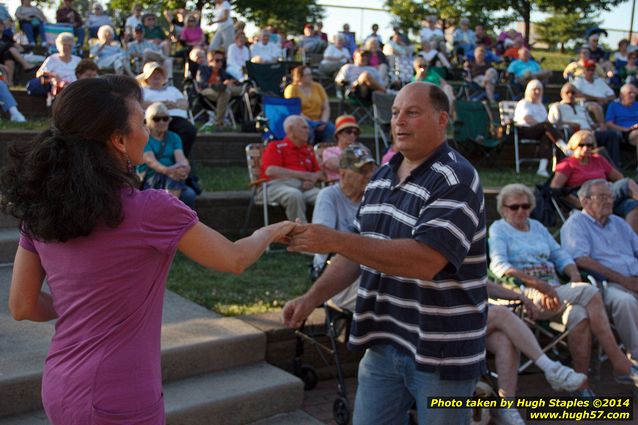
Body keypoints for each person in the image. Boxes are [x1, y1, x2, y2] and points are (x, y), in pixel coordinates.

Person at [1, 75, 294, 425]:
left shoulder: (42, 207)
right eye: (141, 122)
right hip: (119, 397)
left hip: (60, 384)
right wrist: (272, 230)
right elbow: (235, 258)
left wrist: (77, 306)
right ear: (118, 140)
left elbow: (22, 305)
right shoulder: (151, 209)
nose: (146, 129)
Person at [282, 83, 487, 424]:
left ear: (442, 120)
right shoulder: (380, 177)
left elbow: (425, 260)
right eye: (394, 113)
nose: (399, 122)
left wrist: (336, 240)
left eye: (412, 113)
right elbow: (360, 249)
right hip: (384, 342)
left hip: (441, 350)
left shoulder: (456, 178)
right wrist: (311, 298)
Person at [489, 183, 638, 396]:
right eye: (514, 207)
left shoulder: (538, 228)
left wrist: (574, 274)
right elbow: (499, 266)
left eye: (525, 206)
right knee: (588, 292)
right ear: (503, 209)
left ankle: (580, 383)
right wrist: (540, 285)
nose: (520, 211)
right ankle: (619, 362)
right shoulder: (498, 229)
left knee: (580, 314)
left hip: (557, 291)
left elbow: (560, 255)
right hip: (528, 295)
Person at [485, 280, 586, 424]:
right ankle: (551, 368)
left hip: (474, 320)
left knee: (505, 342)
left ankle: (507, 407)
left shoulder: (471, 259)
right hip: (448, 325)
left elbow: (483, 284)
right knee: (501, 313)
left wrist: (520, 297)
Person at [561, 179, 638, 367]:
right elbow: (581, 259)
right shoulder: (576, 224)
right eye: (602, 197)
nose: (609, 201)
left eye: (610, 196)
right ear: (585, 201)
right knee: (625, 302)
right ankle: (636, 359)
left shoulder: (619, 223)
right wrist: (624, 280)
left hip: (634, 279)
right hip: (606, 284)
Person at [311, 143, 376, 311]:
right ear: (343, 173)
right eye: (362, 171)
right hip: (334, 276)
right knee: (383, 296)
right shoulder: (329, 196)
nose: (369, 176)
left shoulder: (373, 197)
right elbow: (322, 242)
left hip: (368, 269)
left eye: (371, 170)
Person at [549, 130, 638, 232]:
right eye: (581, 145)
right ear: (574, 145)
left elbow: (619, 177)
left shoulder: (598, 159)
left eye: (589, 145)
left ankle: (632, 243)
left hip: (607, 194)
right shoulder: (568, 164)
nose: (586, 148)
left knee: (633, 206)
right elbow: (554, 189)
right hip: (588, 197)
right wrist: (576, 202)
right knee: (627, 183)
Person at [259, 115, 322, 223]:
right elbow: (271, 171)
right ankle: (303, 235)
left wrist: (312, 180)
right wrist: (304, 175)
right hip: (275, 186)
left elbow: (319, 172)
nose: (308, 131)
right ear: (290, 130)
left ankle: (326, 231)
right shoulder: (275, 146)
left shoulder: (308, 150)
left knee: (324, 196)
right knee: (294, 195)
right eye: (304, 127)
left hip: (304, 187)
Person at [548, 82, 622, 166]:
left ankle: (614, 165)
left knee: (612, 135)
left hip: (589, 132)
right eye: (567, 92)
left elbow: (590, 123)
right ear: (561, 94)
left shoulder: (581, 107)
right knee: (592, 139)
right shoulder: (557, 106)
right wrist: (569, 124)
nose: (570, 95)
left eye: (573, 92)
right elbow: (553, 124)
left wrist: (600, 125)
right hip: (574, 134)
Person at [139, 102, 195, 207]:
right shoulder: (144, 138)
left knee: (189, 195)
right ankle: (173, 216)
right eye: (157, 119)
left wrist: (184, 167)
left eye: (165, 118)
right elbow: (151, 162)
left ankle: (171, 214)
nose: (162, 122)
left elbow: (181, 158)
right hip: (151, 177)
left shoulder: (174, 137)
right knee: (175, 185)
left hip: (171, 176)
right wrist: (170, 171)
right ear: (148, 121)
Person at [138, 62, 198, 158]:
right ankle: (157, 159)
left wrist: (173, 104)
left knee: (189, 130)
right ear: (146, 78)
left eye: (159, 73)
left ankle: (177, 158)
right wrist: (159, 105)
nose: (156, 75)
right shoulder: (142, 91)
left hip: (175, 119)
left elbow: (185, 104)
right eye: (153, 73)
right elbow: (139, 104)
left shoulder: (172, 90)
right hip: (153, 119)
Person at [514, 79, 567, 176]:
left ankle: (542, 169)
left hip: (540, 131)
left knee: (547, 136)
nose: (537, 92)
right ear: (529, 90)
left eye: (539, 90)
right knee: (545, 126)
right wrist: (544, 125)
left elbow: (546, 120)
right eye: (535, 89)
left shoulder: (540, 106)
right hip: (525, 130)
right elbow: (527, 119)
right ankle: (564, 146)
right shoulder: (524, 103)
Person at [284, 65, 335, 143]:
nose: (311, 77)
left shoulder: (318, 87)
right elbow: (293, 109)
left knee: (330, 128)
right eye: (307, 75)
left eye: (311, 74)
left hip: (319, 120)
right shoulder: (292, 89)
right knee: (307, 130)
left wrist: (323, 121)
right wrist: (311, 122)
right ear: (299, 77)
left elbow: (326, 107)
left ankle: (325, 150)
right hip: (302, 119)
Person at [195, 50, 242, 130]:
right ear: (210, 60)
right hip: (207, 90)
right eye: (217, 60)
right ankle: (218, 123)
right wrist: (217, 85)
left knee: (236, 90)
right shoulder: (203, 69)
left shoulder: (222, 71)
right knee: (225, 92)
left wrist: (229, 82)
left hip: (223, 91)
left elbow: (234, 80)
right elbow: (202, 84)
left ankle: (218, 123)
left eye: (221, 60)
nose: (220, 62)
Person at [28, 32, 81, 98]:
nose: (67, 47)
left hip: (75, 88)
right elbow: (39, 73)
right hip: (58, 89)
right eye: (64, 45)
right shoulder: (52, 59)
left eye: (69, 45)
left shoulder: (78, 60)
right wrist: (53, 75)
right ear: (58, 46)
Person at [320, 115, 362, 182]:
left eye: (355, 133)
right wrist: (360, 167)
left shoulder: (359, 150)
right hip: (338, 184)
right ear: (338, 134)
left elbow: (370, 168)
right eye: (348, 131)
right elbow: (336, 166)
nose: (352, 135)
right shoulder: (329, 151)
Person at [605, 84, 638, 170]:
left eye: (634, 93)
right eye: (630, 93)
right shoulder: (613, 106)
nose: (633, 95)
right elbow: (609, 123)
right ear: (621, 95)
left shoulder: (636, 105)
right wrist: (625, 129)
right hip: (625, 132)